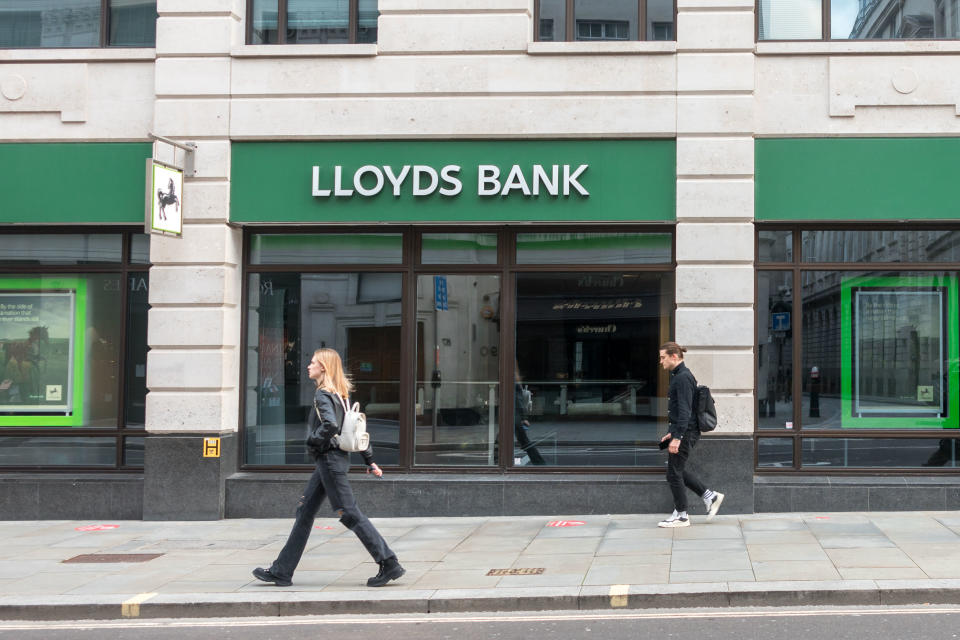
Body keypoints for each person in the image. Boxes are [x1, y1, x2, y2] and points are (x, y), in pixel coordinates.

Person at [253, 348, 405, 587]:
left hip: (329, 461)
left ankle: (388, 562)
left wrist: (312, 440)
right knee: (305, 512)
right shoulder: (342, 396)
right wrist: (369, 458)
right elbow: (355, 429)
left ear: (323, 367)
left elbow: (332, 426)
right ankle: (282, 570)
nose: (308, 366)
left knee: (349, 513)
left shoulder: (323, 395)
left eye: (312, 363)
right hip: (332, 461)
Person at [657, 341, 724, 528]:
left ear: (674, 356)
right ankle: (710, 496)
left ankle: (682, 515)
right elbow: (680, 411)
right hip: (683, 431)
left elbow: (685, 411)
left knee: (674, 473)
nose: (661, 361)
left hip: (686, 433)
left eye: (663, 357)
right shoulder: (680, 376)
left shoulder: (683, 377)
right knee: (675, 472)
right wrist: (671, 433)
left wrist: (677, 437)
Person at [515, 367, 546, 465]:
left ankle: (539, 462)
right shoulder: (515, 385)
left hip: (515, 416)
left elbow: (520, 403)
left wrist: (524, 418)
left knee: (524, 441)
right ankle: (497, 459)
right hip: (513, 416)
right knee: (502, 438)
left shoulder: (515, 386)